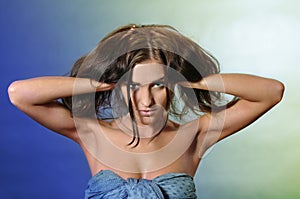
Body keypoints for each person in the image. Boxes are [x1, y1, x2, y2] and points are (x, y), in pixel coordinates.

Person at [8, 24, 284, 199]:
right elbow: (19, 94)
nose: (146, 99)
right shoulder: (92, 132)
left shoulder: (194, 135)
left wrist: (192, 81)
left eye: (159, 85)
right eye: (133, 86)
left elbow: (271, 92)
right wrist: (97, 82)